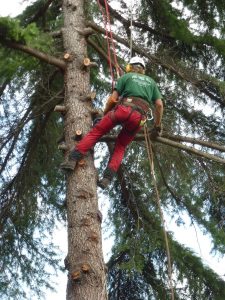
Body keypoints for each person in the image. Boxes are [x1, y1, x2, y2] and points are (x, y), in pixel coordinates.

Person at [61, 56, 164, 189]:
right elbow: (159, 105)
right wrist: (157, 124)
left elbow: (112, 100)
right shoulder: (151, 82)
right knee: (120, 146)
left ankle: (72, 160)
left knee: (97, 132)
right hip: (139, 118)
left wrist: (105, 115)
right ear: (143, 69)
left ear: (129, 67)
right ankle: (107, 178)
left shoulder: (126, 77)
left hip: (123, 109)